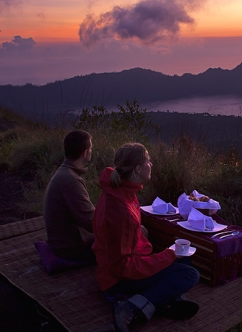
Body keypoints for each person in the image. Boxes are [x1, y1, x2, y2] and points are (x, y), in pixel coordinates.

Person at [92, 143, 200, 332]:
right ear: (138, 168)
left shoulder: (122, 190)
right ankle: (131, 306)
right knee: (189, 274)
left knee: (187, 258)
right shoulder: (120, 208)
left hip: (128, 263)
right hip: (116, 281)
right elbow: (121, 267)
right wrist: (169, 255)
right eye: (148, 160)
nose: (151, 164)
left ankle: (162, 301)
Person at [42, 130, 96, 263]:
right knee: (125, 238)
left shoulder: (63, 172)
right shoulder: (71, 181)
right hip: (71, 249)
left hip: (61, 242)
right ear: (85, 153)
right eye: (90, 148)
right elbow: (91, 223)